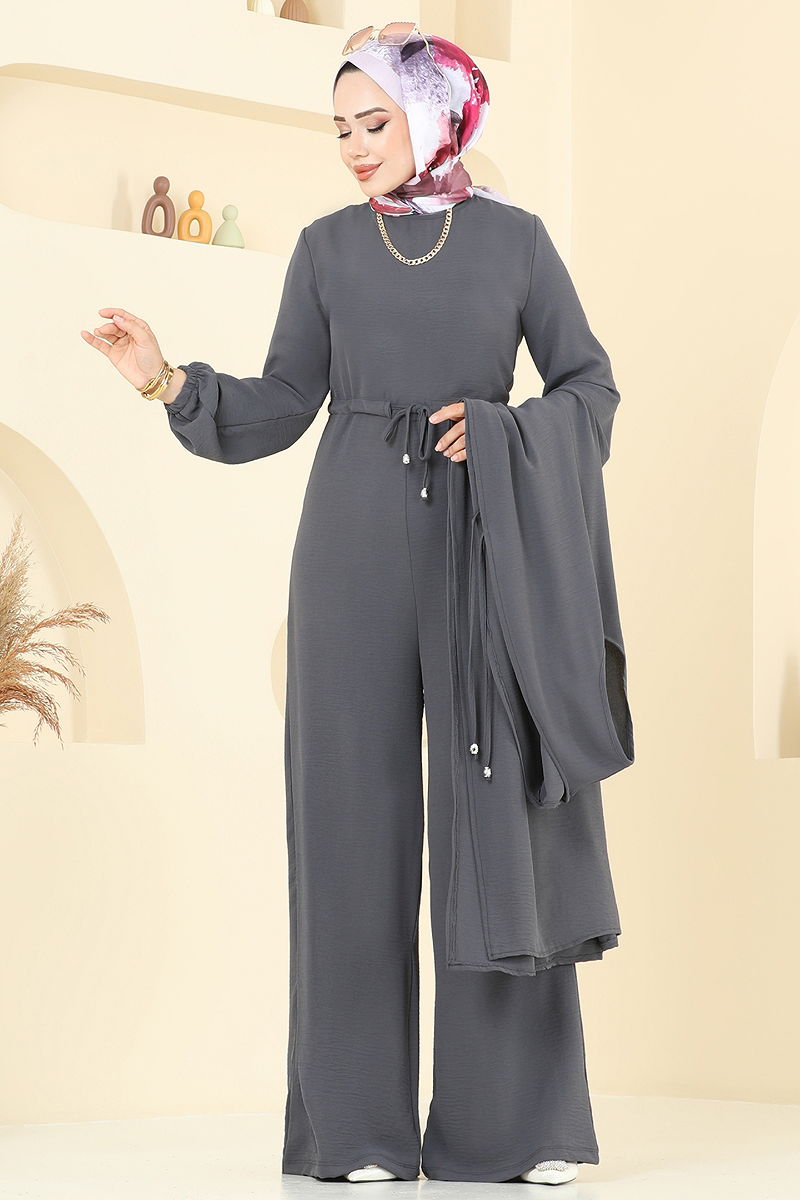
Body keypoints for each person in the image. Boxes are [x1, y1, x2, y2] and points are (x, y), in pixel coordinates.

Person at [79, 22, 624, 1186]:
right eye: (338, 128)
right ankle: (356, 1130)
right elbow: (284, 401)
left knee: (493, 828)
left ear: (435, 112)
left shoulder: (517, 242)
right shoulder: (325, 249)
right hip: (351, 550)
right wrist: (166, 380)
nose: (353, 146)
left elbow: (588, 386)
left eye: (372, 122)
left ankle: (511, 1130)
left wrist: (504, 429)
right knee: (346, 830)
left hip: (484, 547)